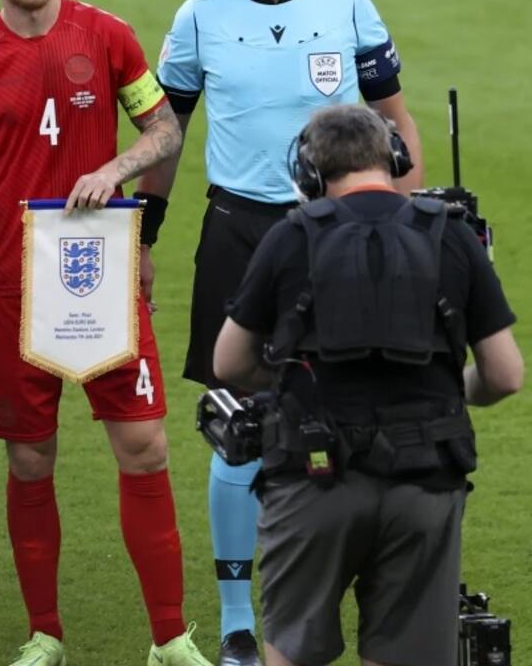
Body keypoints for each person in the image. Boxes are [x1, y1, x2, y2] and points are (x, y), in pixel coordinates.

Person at [146, 0, 425, 661]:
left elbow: (397, 127)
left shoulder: (348, 5)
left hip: (337, 230)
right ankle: (238, 623)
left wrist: (407, 229)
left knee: (352, 406)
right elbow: (166, 135)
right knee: (238, 420)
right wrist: (144, 239)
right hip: (238, 230)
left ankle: (343, 598)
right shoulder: (200, 16)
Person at [0, 0, 212, 666]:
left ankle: (170, 638)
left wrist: (113, 170)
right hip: (14, 282)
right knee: (30, 460)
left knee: (145, 446)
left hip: (101, 271)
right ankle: (46, 634)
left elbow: (164, 128)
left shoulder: (108, 36)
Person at [212, 104, 522, 666]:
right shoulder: (452, 235)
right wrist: (453, 386)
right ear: (393, 158)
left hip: (313, 478)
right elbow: (505, 374)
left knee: (292, 652)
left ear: (310, 173)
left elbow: (229, 362)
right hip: (425, 481)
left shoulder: (290, 236)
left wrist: (291, 376)